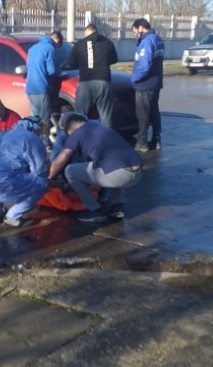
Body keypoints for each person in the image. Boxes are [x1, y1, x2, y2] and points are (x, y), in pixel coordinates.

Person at [48, 113, 143, 223]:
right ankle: (117, 207)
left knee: (70, 171)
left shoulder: (77, 133)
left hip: (118, 174)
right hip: (138, 172)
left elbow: (62, 157)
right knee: (110, 166)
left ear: (68, 129)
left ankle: (95, 210)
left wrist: (50, 177)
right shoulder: (103, 129)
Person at [0, 116, 49, 227]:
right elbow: (39, 170)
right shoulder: (32, 139)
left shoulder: (5, 134)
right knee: (42, 183)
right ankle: (12, 217)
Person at [65, 24, 119, 128]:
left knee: (80, 114)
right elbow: (114, 59)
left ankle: (81, 138)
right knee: (105, 115)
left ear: (85, 33)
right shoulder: (107, 43)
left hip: (86, 82)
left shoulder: (80, 44)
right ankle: (105, 139)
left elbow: (71, 63)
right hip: (103, 81)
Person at [131, 18, 165, 152]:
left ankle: (142, 142)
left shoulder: (147, 41)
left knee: (143, 114)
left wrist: (134, 78)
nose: (135, 35)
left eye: (135, 31)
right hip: (155, 83)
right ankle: (156, 139)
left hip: (145, 84)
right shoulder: (157, 39)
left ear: (140, 27)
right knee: (154, 112)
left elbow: (144, 66)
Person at [26, 34, 57, 125]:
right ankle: (44, 138)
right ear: (57, 41)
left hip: (30, 88)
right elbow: (51, 71)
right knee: (44, 119)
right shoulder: (49, 48)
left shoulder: (32, 48)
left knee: (34, 117)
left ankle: (34, 137)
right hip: (41, 87)